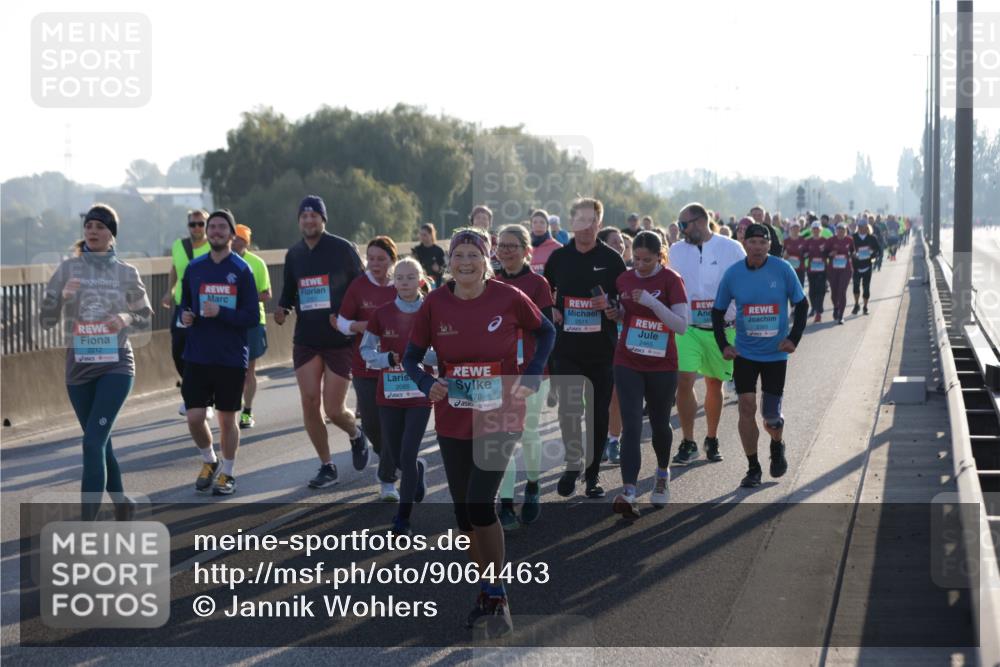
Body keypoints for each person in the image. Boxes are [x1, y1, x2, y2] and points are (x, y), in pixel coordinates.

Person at [403, 227, 555, 635]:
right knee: (463, 515)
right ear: (448, 261)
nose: (465, 262)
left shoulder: (508, 296)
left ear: (486, 260)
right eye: (458, 255)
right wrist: (425, 383)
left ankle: (498, 591)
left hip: (500, 413)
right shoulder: (434, 303)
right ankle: (486, 590)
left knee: (480, 504)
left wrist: (534, 374)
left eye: (473, 254)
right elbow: (410, 358)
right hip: (454, 417)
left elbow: (547, 331)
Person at [40, 204, 153, 520]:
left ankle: (86, 525)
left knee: (91, 443)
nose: (92, 231)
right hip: (79, 369)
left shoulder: (126, 273)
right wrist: (61, 297)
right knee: (100, 442)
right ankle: (121, 502)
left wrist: (125, 316)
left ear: (111, 235)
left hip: (116, 365)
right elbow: (46, 320)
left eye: (100, 227)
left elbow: (145, 317)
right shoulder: (67, 270)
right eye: (89, 225)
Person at [276, 195, 368, 489]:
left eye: (314, 215)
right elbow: (289, 290)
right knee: (310, 401)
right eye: (304, 216)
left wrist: (352, 322)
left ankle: (356, 435)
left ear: (323, 220)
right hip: (306, 339)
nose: (309, 220)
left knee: (333, 409)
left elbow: (362, 286)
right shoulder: (294, 254)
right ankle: (326, 465)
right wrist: (283, 309)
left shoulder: (342, 249)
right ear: (299, 221)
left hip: (338, 338)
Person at [713, 223, 808, 488]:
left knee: (770, 416)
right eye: (752, 242)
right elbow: (717, 311)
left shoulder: (782, 269)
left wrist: (793, 339)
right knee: (746, 407)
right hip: (745, 352)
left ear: (769, 245)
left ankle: (776, 445)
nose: (757, 248)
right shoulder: (733, 274)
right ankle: (753, 467)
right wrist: (724, 345)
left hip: (775, 355)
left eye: (762, 243)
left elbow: (802, 305)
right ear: (745, 244)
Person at [544, 197, 627, 498]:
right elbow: (545, 293)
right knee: (569, 410)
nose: (586, 226)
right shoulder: (558, 258)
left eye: (592, 220)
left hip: (601, 350)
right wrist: (550, 309)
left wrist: (613, 307)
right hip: (566, 348)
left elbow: (625, 302)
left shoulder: (613, 259)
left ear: (599, 224)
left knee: (597, 414)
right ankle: (572, 463)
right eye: (580, 220)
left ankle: (592, 476)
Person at [607, 232, 688, 519]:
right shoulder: (624, 280)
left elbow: (681, 325)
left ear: (659, 256)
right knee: (630, 425)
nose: (640, 265)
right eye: (636, 259)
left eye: (647, 260)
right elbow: (624, 315)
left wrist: (653, 303)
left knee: (659, 423)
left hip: (662, 363)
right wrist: (615, 312)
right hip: (627, 359)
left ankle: (662, 473)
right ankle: (629, 491)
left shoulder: (671, 280)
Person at [179, 209, 260, 496]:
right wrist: (185, 317)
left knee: (227, 420)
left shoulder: (241, 269)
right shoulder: (194, 267)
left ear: (231, 234)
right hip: (198, 354)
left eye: (221, 227)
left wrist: (221, 311)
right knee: (194, 416)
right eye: (211, 227)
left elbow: (251, 315)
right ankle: (209, 461)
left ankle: (228, 472)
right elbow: (184, 306)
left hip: (230, 355)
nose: (214, 231)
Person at [360, 257, 436, 536]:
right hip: (389, 394)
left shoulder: (430, 311)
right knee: (395, 455)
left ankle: (403, 518)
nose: (405, 282)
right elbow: (365, 352)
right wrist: (384, 358)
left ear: (421, 280)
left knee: (406, 450)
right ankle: (416, 468)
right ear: (393, 281)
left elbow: (444, 348)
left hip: (419, 392)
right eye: (400, 277)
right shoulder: (381, 314)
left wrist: (421, 357)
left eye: (410, 277)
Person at [669, 203, 746, 465]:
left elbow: (743, 282)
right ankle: (688, 441)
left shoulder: (731, 248)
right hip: (688, 328)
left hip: (722, 329)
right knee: (685, 381)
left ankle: (711, 438)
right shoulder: (676, 251)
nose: (680, 231)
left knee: (715, 383)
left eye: (683, 225)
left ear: (701, 221)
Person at [494, 224, 555, 529]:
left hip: (532, 371)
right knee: (504, 438)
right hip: (499, 372)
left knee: (528, 434)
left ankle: (532, 485)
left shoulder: (537, 284)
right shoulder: (489, 282)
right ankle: (505, 504)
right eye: (501, 245)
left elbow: (547, 331)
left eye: (512, 246)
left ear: (526, 250)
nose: (505, 251)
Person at [338, 237, 400, 500]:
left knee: (394, 425)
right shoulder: (359, 286)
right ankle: (383, 453)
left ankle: (388, 481)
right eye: (371, 258)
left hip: (397, 369)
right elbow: (341, 322)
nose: (375, 264)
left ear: (392, 260)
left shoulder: (402, 283)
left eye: (381, 259)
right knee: (374, 425)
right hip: (364, 367)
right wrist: (358, 327)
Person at [161, 209, 211, 417]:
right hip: (184, 306)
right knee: (178, 352)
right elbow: (175, 269)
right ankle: (191, 393)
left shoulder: (214, 247)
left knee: (204, 354)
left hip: (208, 308)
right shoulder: (178, 246)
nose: (197, 228)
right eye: (193, 224)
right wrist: (169, 292)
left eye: (201, 224)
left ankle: (204, 400)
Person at [232, 224, 271, 429]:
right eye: (233, 238)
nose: (234, 242)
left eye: (239, 239)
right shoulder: (223, 262)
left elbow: (266, 294)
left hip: (253, 321)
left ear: (246, 242)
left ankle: (247, 411)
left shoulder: (257, 263)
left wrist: (246, 298)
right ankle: (230, 405)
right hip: (228, 321)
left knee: (248, 370)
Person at [596, 226, 627, 463]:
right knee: (598, 398)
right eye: (613, 242)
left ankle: (614, 439)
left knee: (617, 393)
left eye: (622, 242)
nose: (619, 245)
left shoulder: (633, 275)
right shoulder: (593, 274)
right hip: (596, 341)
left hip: (626, 341)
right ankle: (601, 436)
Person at [851, 218, 882, 316]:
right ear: (858, 227)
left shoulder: (872, 238)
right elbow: (848, 250)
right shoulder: (853, 238)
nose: (861, 228)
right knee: (856, 286)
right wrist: (853, 254)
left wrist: (872, 253)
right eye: (859, 226)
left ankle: (865, 306)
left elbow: (878, 250)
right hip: (856, 266)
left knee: (866, 287)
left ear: (867, 227)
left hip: (867, 266)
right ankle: (856, 304)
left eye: (863, 226)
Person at [827, 222, 855, 324]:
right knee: (834, 293)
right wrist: (830, 254)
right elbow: (825, 253)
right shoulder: (831, 240)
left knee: (842, 291)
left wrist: (853, 254)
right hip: (833, 270)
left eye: (843, 231)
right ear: (836, 231)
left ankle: (841, 316)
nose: (841, 233)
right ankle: (836, 307)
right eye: (839, 231)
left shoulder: (849, 240)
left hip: (845, 270)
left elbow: (853, 251)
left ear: (846, 232)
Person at [804, 221, 829, 323]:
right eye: (814, 229)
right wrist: (805, 254)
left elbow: (829, 252)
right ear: (812, 230)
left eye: (817, 229)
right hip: (811, 269)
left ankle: (818, 311)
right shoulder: (808, 241)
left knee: (821, 289)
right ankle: (814, 307)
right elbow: (803, 253)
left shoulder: (825, 241)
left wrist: (827, 253)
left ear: (820, 230)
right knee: (812, 290)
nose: (816, 231)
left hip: (823, 269)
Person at [528, 209, 563, 274]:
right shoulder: (525, 247)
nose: (538, 225)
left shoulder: (558, 248)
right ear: (531, 225)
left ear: (547, 225)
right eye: (535, 222)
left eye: (542, 222)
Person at [412, 223, 445, 287]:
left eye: (425, 235)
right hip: (420, 282)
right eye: (421, 235)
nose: (422, 237)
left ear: (431, 235)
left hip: (435, 283)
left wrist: (438, 269)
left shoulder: (439, 251)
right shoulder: (416, 250)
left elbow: (445, 270)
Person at [782, 220, 807, 286]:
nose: (795, 229)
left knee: (800, 287)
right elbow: (781, 255)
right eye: (793, 228)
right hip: (788, 269)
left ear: (799, 229)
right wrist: (784, 256)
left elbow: (807, 253)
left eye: (797, 227)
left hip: (800, 269)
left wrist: (804, 255)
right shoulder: (786, 241)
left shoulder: (803, 240)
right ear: (790, 229)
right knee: (789, 288)